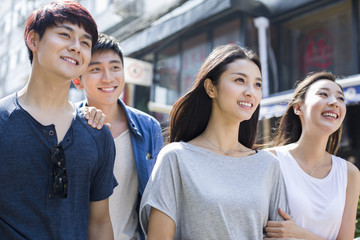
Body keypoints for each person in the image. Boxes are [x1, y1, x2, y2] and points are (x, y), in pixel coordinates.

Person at [138, 43, 289, 239]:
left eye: (257, 84)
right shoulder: (176, 157)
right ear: (211, 88)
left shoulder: (269, 165)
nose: (251, 91)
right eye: (240, 80)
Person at [0, 1, 117, 239]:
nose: (76, 47)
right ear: (33, 40)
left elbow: (100, 223)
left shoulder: (97, 132)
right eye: (65, 34)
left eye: (85, 42)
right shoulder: (3, 120)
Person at [73, 33, 163, 240]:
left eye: (115, 67)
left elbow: (159, 200)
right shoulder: (66, 125)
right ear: (78, 80)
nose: (108, 77)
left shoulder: (149, 128)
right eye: (95, 69)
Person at [264, 71, 360, 239]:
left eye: (340, 98)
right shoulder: (270, 160)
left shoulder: (349, 173)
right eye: (323, 94)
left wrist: (300, 234)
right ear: (298, 107)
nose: (334, 102)